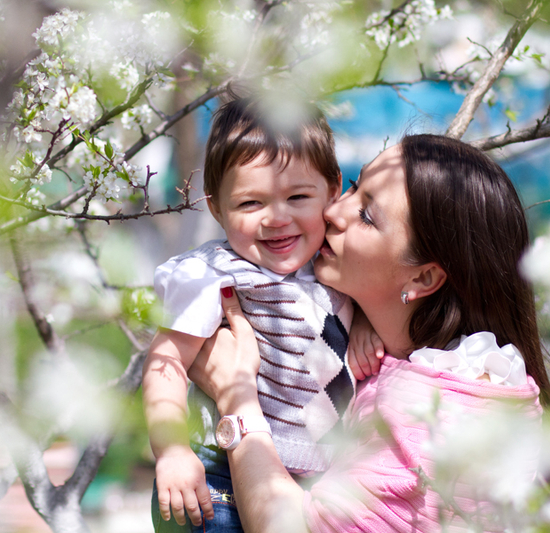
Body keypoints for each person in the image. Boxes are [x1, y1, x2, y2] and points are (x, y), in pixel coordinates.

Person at [187, 133, 550, 532]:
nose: (333, 211)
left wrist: (236, 396)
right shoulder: (413, 355)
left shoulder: (440, 421)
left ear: (423, 277)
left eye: (366, 216)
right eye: (352, 186)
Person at [142, 95, 380, 531]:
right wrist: (172, 451)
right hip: (219, 476)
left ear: (333, 191)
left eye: (297, 196)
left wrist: (364, 323)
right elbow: (166, 361)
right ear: (216, 206)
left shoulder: (334, 263)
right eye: (251, 204)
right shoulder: (216, 274)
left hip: (317, 481)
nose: (276, 218)